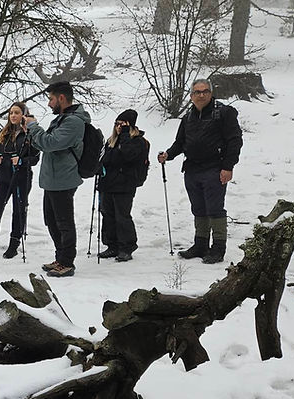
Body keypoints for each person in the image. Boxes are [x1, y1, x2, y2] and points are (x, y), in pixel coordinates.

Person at [158, 79, 242, 264]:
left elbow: (235, 141)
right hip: (192, 169)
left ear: (211, 93)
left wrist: (228, 167)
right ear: (191, 96)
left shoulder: (224, 113)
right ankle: (200, 245)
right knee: (198, 208)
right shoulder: (188, 117)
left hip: (215, 168)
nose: (201, 95)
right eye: (197, 92)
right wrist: (168, 155)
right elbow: (180, 142)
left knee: (215, 209)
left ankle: (218, 249)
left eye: (205, 91)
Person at [25, 81, 91, 278]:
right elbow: (44, 143)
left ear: (61, 98)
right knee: (51, 220)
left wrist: (34, 127)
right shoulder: (63, 118)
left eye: (51, 99)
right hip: (53, 179)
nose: (49, 104)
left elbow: (50, 143)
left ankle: (67, 262)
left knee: (64, 222)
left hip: (64, 179)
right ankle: (60, 257)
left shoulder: (73, 122)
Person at [0, 101, 40, 259]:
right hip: (3, 177)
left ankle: (14, 243)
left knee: (18, 210)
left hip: (21, 178)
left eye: (17, 113)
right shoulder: (3, 133)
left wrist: (21, 161)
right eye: (11, 113)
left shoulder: (29, 134)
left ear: (24, 115)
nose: (13, 116)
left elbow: (36, 157)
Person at [96, 109, 149, 262]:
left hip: (125, 184)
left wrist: (125, 134)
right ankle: (112, 244)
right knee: (107, 214)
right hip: (108, 183)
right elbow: (104, 158)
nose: (119, 127)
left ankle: (127, 246)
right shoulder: (111, 140)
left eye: (123, 124)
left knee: (122, 216)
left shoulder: (137, 141)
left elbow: (128, 155)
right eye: (117, 124)